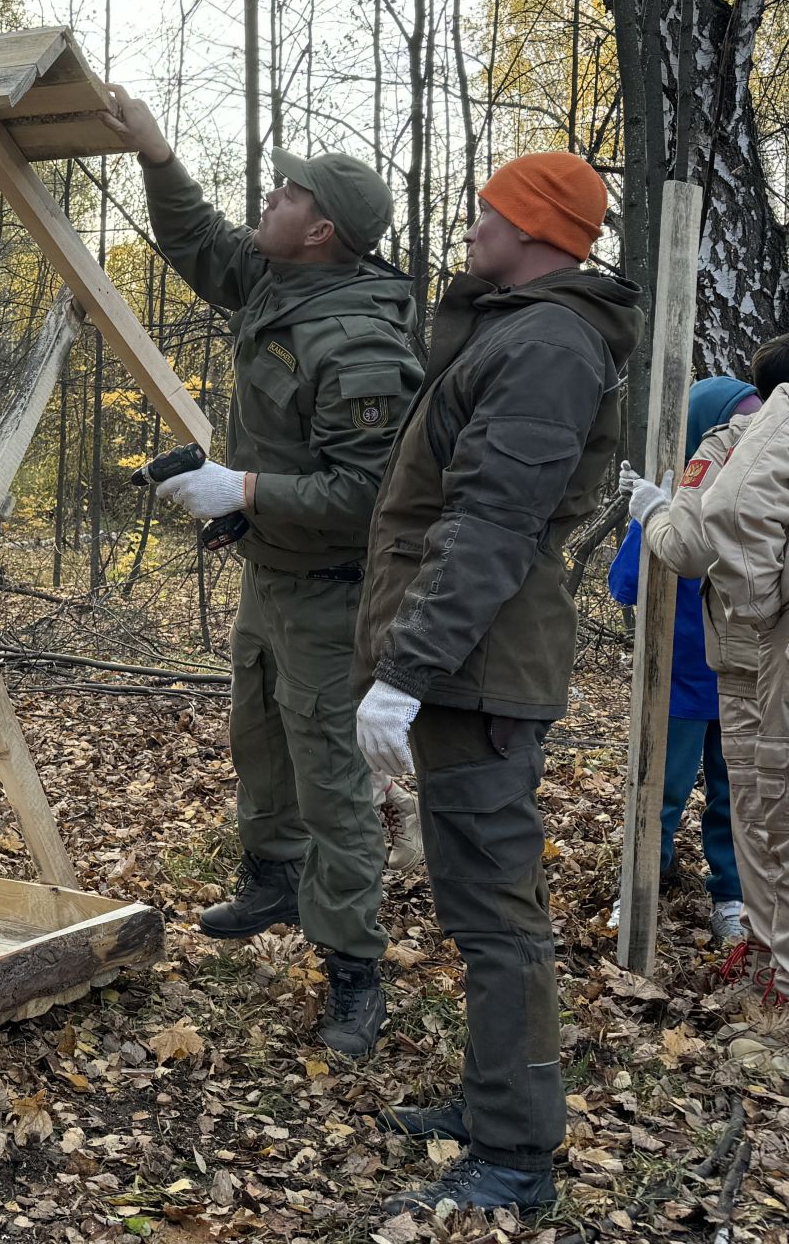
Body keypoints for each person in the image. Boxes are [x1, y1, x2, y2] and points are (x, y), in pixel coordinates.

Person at [104, 87, 422, 1059]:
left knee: (332, 781)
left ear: (320, 230)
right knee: (259, 735)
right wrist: (157, 153)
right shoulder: (283, 285)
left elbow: (367, 499)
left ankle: (353, 975)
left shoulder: (357, 342)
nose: (268, 199)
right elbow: (199, 242)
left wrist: (240, 486)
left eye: (284, 194)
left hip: (331, 595)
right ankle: (272, 880)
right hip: (272, 575)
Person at [355, 151, 641, 1216]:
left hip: (479, 668)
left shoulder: (551, 344)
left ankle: (517, 1157)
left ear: (532, 227)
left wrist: (408, 674)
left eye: (489, 213)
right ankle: (491, 1107)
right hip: (464, 663)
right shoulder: (515, 329)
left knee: (499, 916)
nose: (472, 228)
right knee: (479, 906)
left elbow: (488, 526)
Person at [624, 334, 789, 1003]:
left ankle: (771, 960)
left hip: (753, 658)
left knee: (759, 807)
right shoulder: (744, 436)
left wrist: (657, 512)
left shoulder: (730, 442)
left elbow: (695, 540)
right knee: (737, 798)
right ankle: (754, 935)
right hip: (724, 667)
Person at [607, 378, 758, 946]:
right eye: (734, 428)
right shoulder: (676, 503)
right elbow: (626, 586)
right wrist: (651, 516)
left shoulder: (757, 497)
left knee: (736, 795)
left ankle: (731, 896)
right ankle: (643, 881)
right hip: (677, 683)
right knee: (660, 789)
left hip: (742, 676)